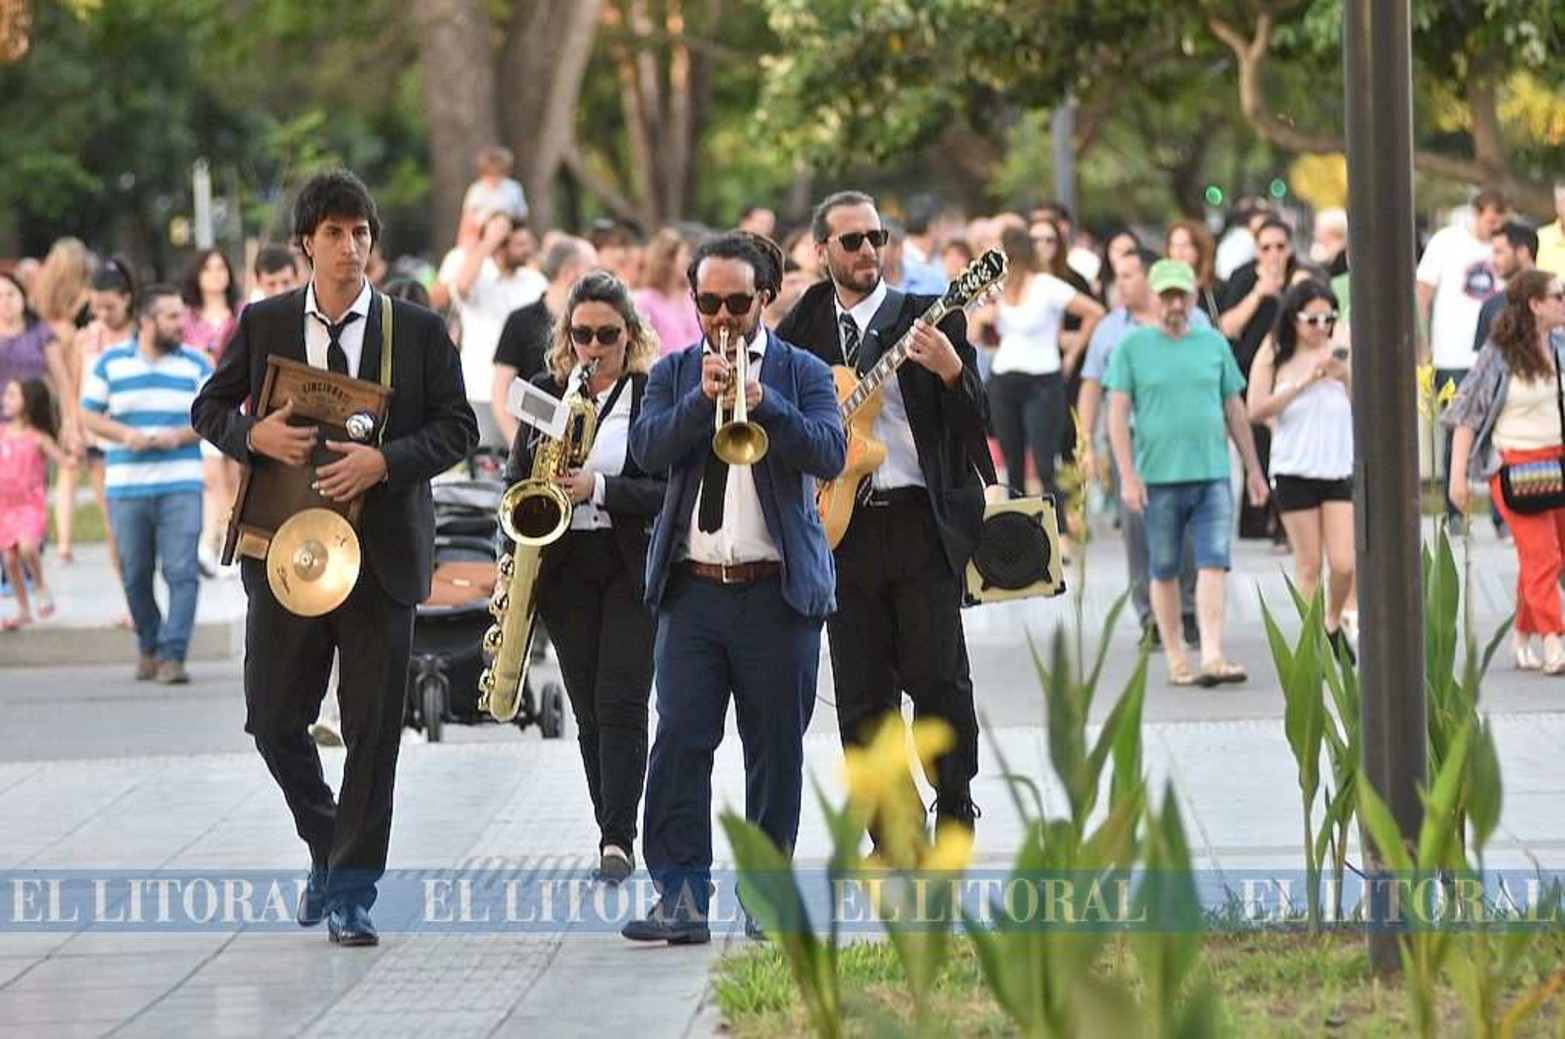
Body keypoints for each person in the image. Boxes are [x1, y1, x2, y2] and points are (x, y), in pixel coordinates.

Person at [191, 170, 478, 947]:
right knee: (272, 718)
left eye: (361, 234)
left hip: (380, 559)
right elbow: (208, 408)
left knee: (374, 727)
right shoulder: (263, 322)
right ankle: (327, 842)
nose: (350, 248)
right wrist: (254, 436)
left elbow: (458, 430)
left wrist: (383, 462)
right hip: (286, 552)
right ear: (305, 243)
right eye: (334, 234)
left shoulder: (416, 329)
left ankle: (352, 888)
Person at [623, 231, 844, 944]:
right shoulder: (674, 369)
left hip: (776, 594)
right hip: (693, 592)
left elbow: (830, 450)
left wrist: (766, 404)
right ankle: (679, 899)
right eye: (709, 301)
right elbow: (646, 449)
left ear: (764, 298)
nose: (723, 317)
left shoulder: (805, 371)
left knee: (774, 751)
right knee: (680, 739)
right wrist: (701, 403)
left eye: (737, 302)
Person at [777, 190, 990, 837]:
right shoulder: (800, 331)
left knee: (937, 676)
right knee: (862, 689)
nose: (868, 249)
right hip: (839, 529)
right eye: (852, 240)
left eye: (876, 237)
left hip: (918, 521)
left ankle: (954, 800)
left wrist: (953, 373)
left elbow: (977, 424)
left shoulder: (926, 316)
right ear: (820, 252)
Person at [502, 271, 665, 885]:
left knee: (622, 699)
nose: (594, 348)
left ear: (630, 336)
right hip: (565, 565)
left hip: (628, 562)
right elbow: (517, 478)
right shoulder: (546, 393)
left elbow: (667, 489)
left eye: (607, 335)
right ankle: (610, 825)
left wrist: (600, 487)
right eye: (582, 335)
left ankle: (618, 837)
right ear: (566, 338)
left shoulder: (650, 394)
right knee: (589, 709)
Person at [1106, 260, 1268, 687]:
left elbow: (1235, 408)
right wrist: (1127, 475)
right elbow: (1117, 415)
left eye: (1182, 295)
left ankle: (1212, 652)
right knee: (1164, 567)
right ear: (1154, 297)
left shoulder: (1213, 344)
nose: (1175, 303)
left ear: (1194, 297)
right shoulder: (1132, 347)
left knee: (1215, 562)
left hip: (1212, 473)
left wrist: (1253, 469)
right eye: (1167, 295)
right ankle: (1177, 655)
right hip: (1157, 477)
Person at [79, 285, 210, 683]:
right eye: (171, 317)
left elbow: (212, 418)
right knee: (135, 572)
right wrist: (124, 435)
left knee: (182, 570)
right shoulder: (111, 364)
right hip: (126, 486)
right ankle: (149, 644)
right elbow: (89, 416)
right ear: (147, 321)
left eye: (181, 316)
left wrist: (180, 436)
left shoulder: (196, 365)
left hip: (181, 484)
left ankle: (173, 655)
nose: (180, 324)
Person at [1078, 248, 1204, 646]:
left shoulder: (1193, 319)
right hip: (1130, 440)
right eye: (1119, 275)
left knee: (1185, 525)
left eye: (1130, 275)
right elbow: (1092, 385)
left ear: (1151, 281)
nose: (1121, 283)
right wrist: (1086, 442)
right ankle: (1149, 614)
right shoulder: (1110, 329)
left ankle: (1187, 609)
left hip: (1180, 439)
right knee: (1137, 527)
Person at [1445, 270, 1565, 673]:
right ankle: (1555, 642)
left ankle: (1522, 634)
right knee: (1542, 556)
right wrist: (1457, 476)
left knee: (1549, 558)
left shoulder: (1560, 346)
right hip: (1515, 466)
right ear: (1535, 304)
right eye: (1558, 296)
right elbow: (1466, 415)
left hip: (1558, 462)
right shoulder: (1498, 354)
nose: (1563, 302)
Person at [1246, 281, 1358, 658]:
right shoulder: (1276, 353)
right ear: (1294, 320)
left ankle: (1331, 620)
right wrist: (1303, 382)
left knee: (1345, 563)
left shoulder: (1341, 349)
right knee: (1309, 565)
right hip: (1295, 469)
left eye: (1329, 318)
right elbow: (1256, 409)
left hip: (1337, 468)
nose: (1321, 327)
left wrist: (1343, 375)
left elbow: (1365, 402)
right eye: (1312, 319)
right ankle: (1314, 646)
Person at [972, 224, 1103, 524]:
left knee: (1045, 463)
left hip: (1042, 378)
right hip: (1004, 378)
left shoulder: (1046, 285)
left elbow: (1094, 312)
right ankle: (1021, 536)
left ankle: (1060, 534)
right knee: (1013, 466)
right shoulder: (997, 288)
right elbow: (972, 335)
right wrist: (983, 317)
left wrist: (1070, 352)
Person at [1418, 190, 1509, 523]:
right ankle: (1454, 509)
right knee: (1456, 432)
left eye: (1500, 222)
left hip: (1494, 355)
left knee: (1498, 433)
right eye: (1490, 220)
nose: (1494, 227)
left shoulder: (1502, 249)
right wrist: (1423, 343)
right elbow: (1423, 293)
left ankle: (1501, 514)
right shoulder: (1446, 242)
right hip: (1452, 353)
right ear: (1477, 214)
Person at [58, 260, 137, 582]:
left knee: (136, 523)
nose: (102, 313)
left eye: (110, 306)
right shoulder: (85, 339)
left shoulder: (139, 336)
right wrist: (73, 428)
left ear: (126, 299)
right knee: (113, 521)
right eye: (96, 306)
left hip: (134, 437)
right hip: (98, 442)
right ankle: (128, 592)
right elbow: (76, 387)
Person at [491, 236, 598, 444]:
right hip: (534, 442)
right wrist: (518, 448)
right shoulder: (520, 321)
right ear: (569, 273)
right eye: (593, 269)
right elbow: (501, 391)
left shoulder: (595, 324)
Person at [181, 248, 243, 576]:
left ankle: (230, 545)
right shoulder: (187, 318)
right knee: (212, 474)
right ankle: (211, 541)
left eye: (222, 268)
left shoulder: (241, 313)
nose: (217, 275)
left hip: (236, 400)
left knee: (234, 475)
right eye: (209, 269)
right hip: (203, 402)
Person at [0, 379, 69, 630]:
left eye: (11, 396)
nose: (5, 400)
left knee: (28, 548)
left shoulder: (37, 438)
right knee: (9, 560)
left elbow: (65, 462)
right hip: (5, 508)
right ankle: (23, 609)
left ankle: (40, 585)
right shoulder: (2, 432)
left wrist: (73, 453)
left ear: (28, 403)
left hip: (30, 507)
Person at [635, 228, 705, 356]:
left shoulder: (693, 296)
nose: (688, 262)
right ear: (667, 261)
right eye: (683, 257)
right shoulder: (645, 301)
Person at [462, 145, 529, 227]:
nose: (494, 180)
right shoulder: (477, 190)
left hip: (510, 225)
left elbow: (521, 214)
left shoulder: (513, 188)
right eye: (490, 176)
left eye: (498, 175)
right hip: (483, 227)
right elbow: (469, 216)